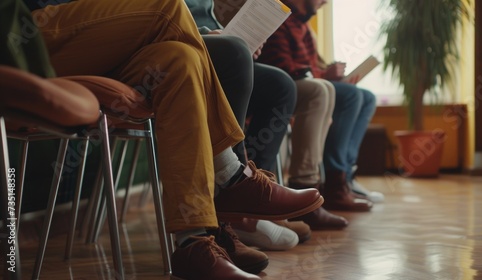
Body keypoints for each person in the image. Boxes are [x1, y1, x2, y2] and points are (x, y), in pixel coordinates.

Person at [21, 0, 324, 278]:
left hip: (102, 42)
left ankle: (193, 242)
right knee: (170, 6)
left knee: (182, 59)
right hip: (29, 36)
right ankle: (232, 176)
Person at [185, 0, 313, 250]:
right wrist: (210, 36)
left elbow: (206, 17)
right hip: (174, 50)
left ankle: (255, 198)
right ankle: (233, 204)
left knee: (280, 85)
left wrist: (236, 36)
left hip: (206, 48)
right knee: (232, 52)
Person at [257, 0, 376, 212]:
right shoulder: (280, 18)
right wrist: (325, 75)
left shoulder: (303, 25)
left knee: (366, 97)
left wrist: (329, 74)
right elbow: (283, 68)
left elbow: (311, 69)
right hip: (290, 86)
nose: (324, 2)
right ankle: (329, 182)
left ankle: (344, 176)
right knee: (348, 95)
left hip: (308, 83)